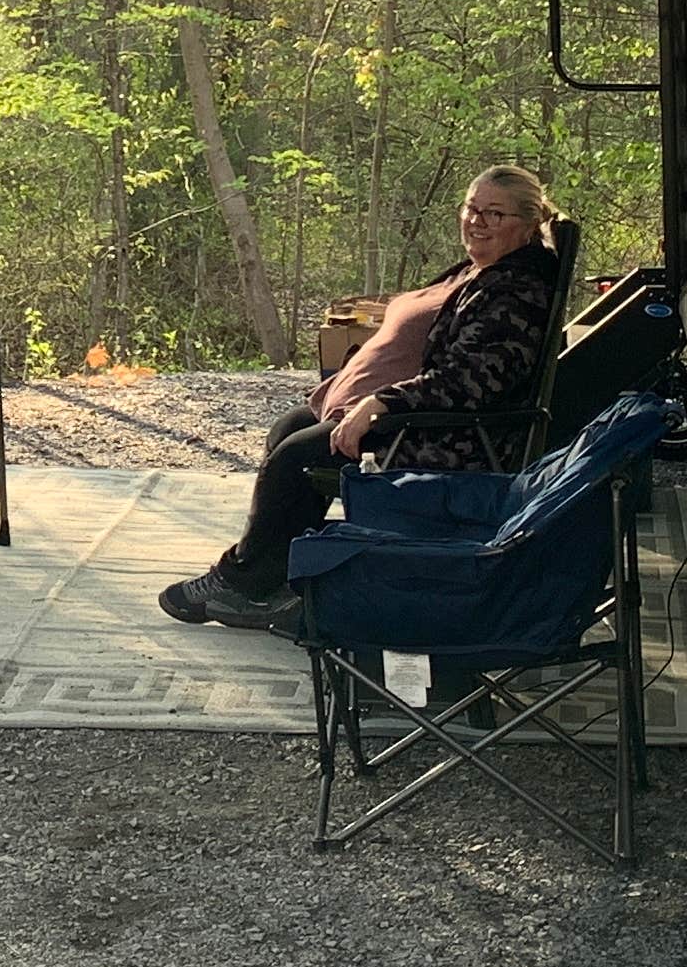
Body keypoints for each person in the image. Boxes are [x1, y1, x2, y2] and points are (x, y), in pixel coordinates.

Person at [161, 166, 564, 631]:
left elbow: (469, 382)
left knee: (297, 458)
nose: (476, 221)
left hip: (444, 435)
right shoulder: (486, 268)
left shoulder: (516, 292)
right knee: (291, 430)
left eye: (494, 214)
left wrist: (381, 404)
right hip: (418, 417)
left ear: (530, 222)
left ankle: (241, 583)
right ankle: (279, 578)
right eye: (472, 208)